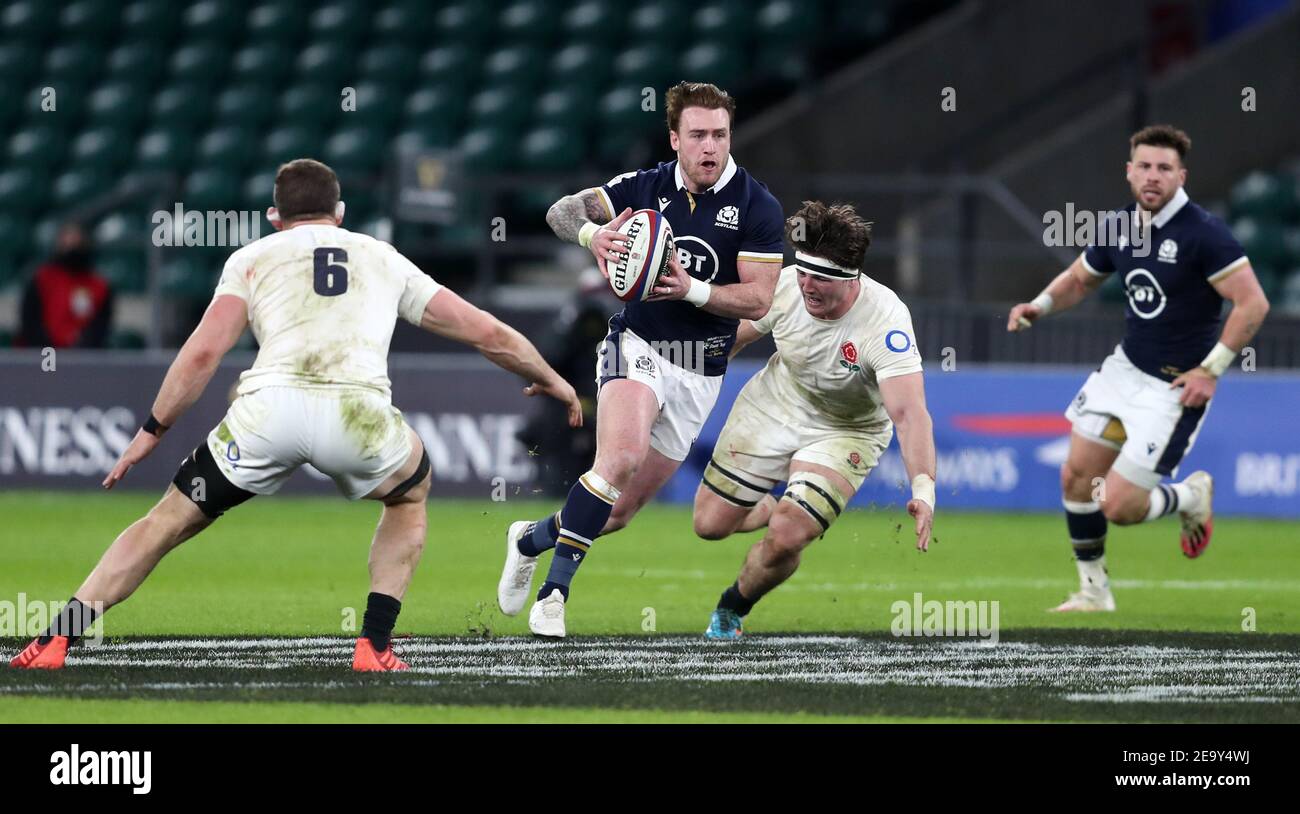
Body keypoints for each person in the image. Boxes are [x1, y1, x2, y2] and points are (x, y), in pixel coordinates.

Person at [10, 159, 581, 671]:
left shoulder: (251, 257)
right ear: (340, 212)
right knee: (409, 496)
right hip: (357, 415)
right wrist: (549, 376)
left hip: (267, 413)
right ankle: (374, 648)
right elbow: (484, 330)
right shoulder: (380, 256)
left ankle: (57, 640)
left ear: (273, 217)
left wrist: (151, 430)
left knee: (164, 523)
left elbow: (204, 352)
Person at [497, 81, 785, 637]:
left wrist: (690, 289)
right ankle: (553, 598)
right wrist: (591, 235)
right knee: (618, 459)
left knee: (619, 511)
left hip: (700, 367)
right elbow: (562, 210)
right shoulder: (644, 186)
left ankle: (529, 539)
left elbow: (759, 298)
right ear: (675, 137)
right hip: (640, 344)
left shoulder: (758, 205)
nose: (710, 147)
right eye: (698, 135)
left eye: (720, 135)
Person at [1008, 125, 1271, 612]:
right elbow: (1081, 280)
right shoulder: (1119, 224)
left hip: (1173, 389)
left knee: (1121, 507)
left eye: (1164, 168)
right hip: (1123, 370)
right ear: (1129, 171)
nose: (1153, 177)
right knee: (1075, 478)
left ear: (1181, 175)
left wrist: (1210, 370)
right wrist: (1039, 305)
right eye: (1145, 167)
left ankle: (1189, 498)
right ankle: (1094, 592)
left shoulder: (1204, 234)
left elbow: (1252, 304)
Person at [692, 201, 937, 639]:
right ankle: (773, 505)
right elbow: (729, 341)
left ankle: (731, 609)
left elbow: (910, 414)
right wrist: (677, 382)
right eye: (803, 272)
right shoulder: (786, 287)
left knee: (788, 535)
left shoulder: (886, 323)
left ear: (850, 280)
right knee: (708, 526)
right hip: (776, 404)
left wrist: (923, 487)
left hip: (848, 429)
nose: (807, 285)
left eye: (820, 278)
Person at [18, 222, 113, 348]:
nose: (73, 246)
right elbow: (30, 323)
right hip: (42, 356)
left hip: (82, 358)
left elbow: (100, 328)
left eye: (78, 241)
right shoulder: (42, 279)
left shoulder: (99, 286)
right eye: (68, 241)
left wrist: (80, 349)